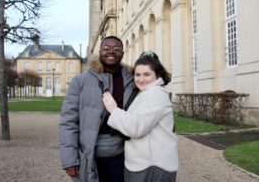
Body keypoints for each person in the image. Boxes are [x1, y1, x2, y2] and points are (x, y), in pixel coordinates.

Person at [59, 36, 136, 182]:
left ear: (123, 53)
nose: (111, 52)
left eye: (116, 49)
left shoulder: (132, 81)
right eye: (106, 49)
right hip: (88, 154)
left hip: (123, 155)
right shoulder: (80, 81)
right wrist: (69, 159)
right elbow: (68, 122)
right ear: (99, 52)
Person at [102, 51, 178, 182]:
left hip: (151, 166)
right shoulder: (146, 92)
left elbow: (135, 127)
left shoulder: (154, 94)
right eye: (137, 75)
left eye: (147, 74)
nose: (141, 79)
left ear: (157, 75)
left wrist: (113, 109)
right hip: (147, 162)